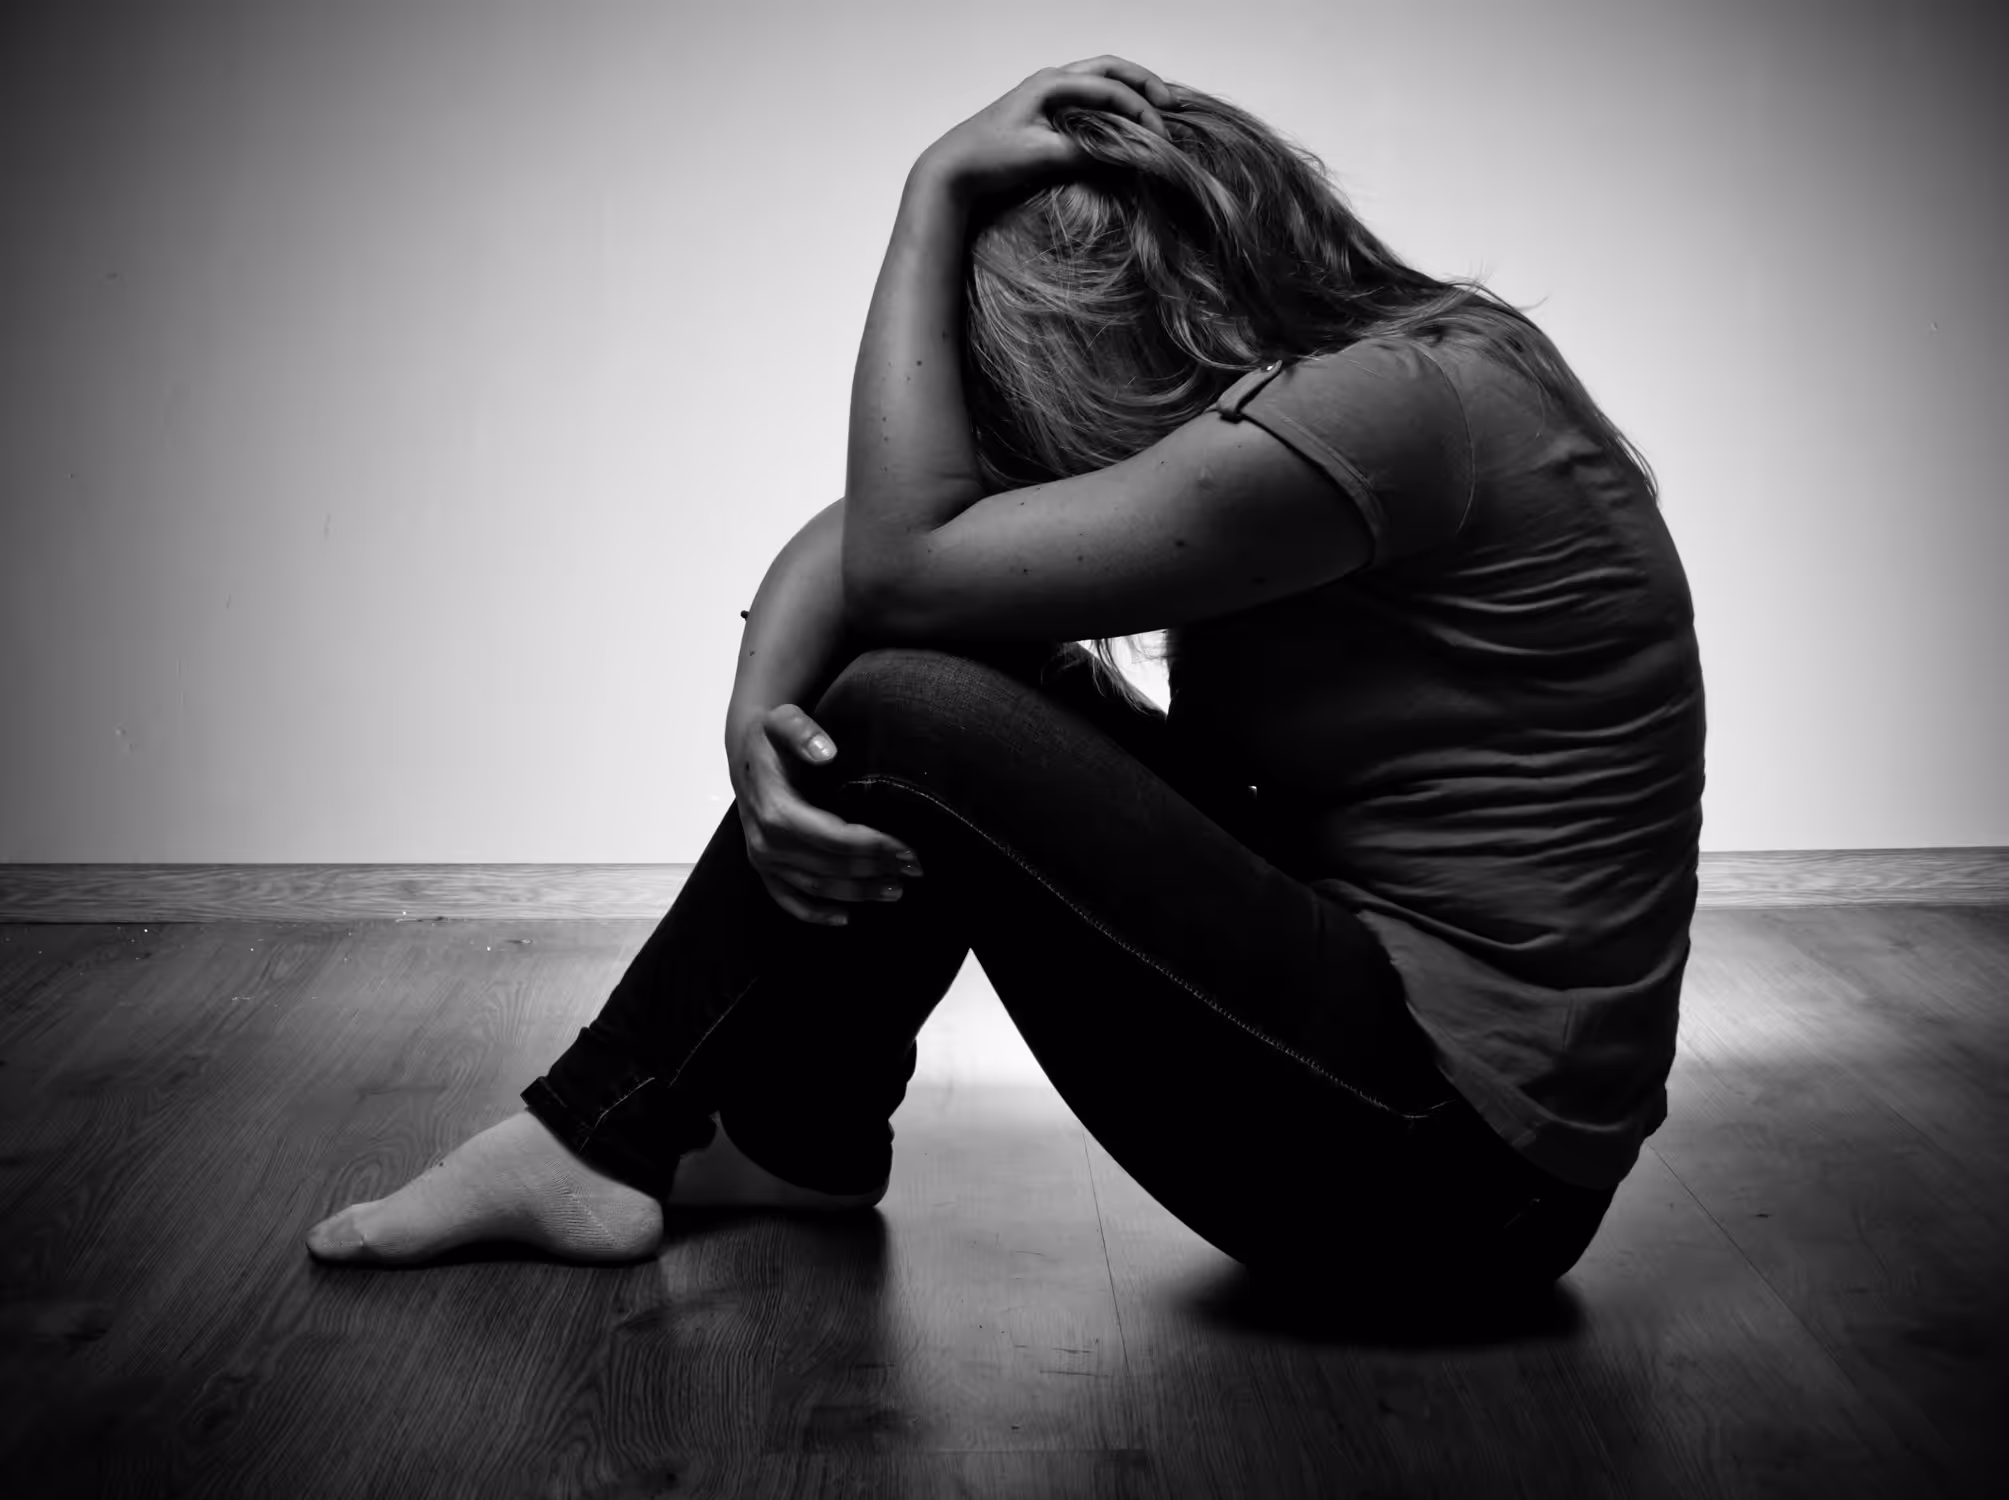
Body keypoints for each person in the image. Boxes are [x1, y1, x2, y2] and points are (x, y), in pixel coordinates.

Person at [307, 57, 1705, 1298]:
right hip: (1391, 1088)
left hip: (1448, 1185)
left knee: (915, 701)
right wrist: (754, 719)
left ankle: (594, 1131)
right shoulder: (1354, 381)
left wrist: (928, 199)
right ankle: (799, 1144)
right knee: (920, 659)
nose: (1035, 423)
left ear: (1161, 308)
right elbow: (868, 549)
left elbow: (908, 568)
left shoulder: (1384, 412)